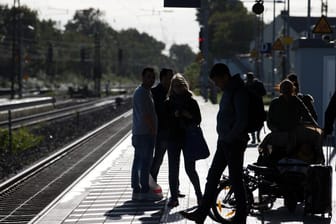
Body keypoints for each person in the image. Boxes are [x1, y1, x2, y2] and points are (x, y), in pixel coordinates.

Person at [180, 63, 249, 224]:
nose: (217, 85)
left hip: (234, 142)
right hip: (224, 142)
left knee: (236, 179)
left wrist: (231, 136)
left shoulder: (239, 91)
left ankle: (241, 217)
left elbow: (242, 120)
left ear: (225, 76)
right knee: (212, 177)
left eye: (217, 81)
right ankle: (201, 213)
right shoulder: (229, 91)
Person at [261, 79, 324, 164]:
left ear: (292, 90)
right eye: (285, 89)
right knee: (267, 144)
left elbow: (307, 115)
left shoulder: (296, 101)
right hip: (280, 132)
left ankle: (319, 159)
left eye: (288, 88)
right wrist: (276, 129)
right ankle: (267, 160)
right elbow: (270, 122)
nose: (287, 91)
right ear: (281, 90)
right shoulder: (275, 103)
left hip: (295, 131)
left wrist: (316, 127)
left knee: (316, 136)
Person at [165, 74, 203, 207]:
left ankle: (199, 195)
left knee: (190, 169)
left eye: (181, 85)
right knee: (173, 169)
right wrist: (173, 116)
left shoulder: (192, 101)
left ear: (185, 85)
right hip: (173, 138)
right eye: (176, 86)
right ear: (172, 87)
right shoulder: (168, 103)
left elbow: (198, 120)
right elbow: (164, 122)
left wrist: (188, 115)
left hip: (188, 138)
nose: (179, 88)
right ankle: (174, 197)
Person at [131, 67, 161, 201]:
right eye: (149, 76)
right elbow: (146, 115)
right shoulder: (142, 93)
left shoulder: (144, 92)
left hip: (140, 132)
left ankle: (137, 188)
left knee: (138, 160)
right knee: (145, 162)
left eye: (153, 77)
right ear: (143, 77)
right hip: (145, 133)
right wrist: (153, 130)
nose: (151, 79)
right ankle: (144, 188)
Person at [150, 68, 174, 182]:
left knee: (174, 161)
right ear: (162, 78)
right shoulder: (154, 92)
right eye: (168, 77)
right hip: (161, 131)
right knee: (158, 158)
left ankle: (175, 187)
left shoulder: (174, 91)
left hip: (173, 131)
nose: (170, 80)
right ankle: (152, 181)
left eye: (171, 77)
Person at [245, 72, 266, 144]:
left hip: (258, 106)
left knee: (259, 122)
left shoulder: (258, 84)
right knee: (250, 123)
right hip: (249, 107)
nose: (249, 80)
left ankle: (258, 136)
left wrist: (256, 93)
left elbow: (263, 93)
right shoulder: (245, 85)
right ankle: (254, 137)